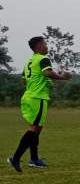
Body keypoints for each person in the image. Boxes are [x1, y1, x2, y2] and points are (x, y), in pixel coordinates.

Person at [6, 37, 72, 172]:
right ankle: (16, 158)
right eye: (44, 44)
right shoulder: (43, 58)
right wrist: (63, 77)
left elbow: (24, 80)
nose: (47, 47)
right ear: (38, 46)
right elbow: (48, 73)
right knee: (34, 128)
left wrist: (42, 83)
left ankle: (34, 159)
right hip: (38, 98)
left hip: (28, 96)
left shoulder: (29, 61)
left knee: (38, 128)